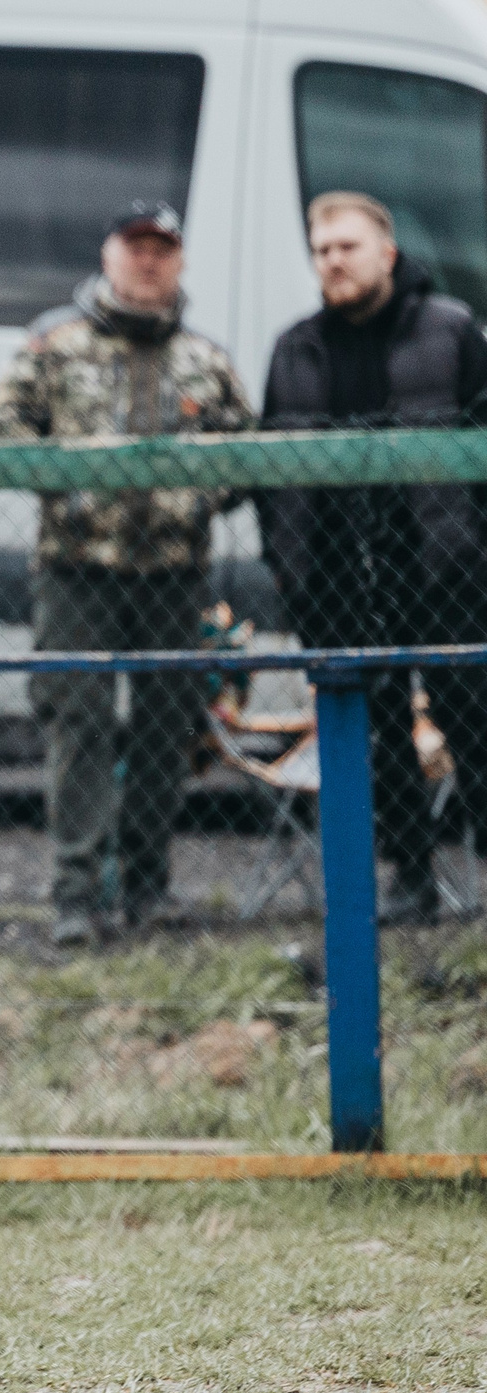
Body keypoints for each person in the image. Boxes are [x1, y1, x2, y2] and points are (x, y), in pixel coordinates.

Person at [0, 202, 254, 946]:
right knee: (80, 726)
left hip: (173, 574)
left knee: (167, 731)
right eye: (136, 247)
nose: (148, 261)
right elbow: (0, 429)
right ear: (108, 255)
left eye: (162, 249)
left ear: (180, 261)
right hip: (77, 572)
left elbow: (251, 453)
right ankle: (75, 892)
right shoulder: (53, 347)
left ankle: (146, 885)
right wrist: (65, 487)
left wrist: (201, 495)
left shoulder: (207, 360)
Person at [260, 191, 487, 925]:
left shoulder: (450, 332)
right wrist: (290, 570)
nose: (333, 261)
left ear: (386, 253)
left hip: (442, 571)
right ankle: (409, 882)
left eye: (347, 247)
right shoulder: (298, 347)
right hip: (336, 581)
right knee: (377, 742)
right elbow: (272, 471)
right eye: (322, 250)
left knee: (473, 724)